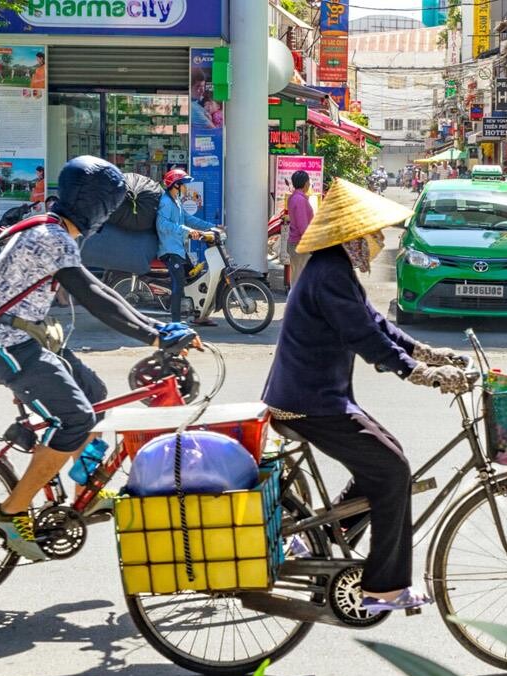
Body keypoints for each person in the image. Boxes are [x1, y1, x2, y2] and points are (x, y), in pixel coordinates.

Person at [0, 156, 201, 561]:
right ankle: (11, 512)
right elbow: (93, 298)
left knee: (94, 393)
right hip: (2, 344)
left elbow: (101, 289)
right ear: (97, 205)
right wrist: (154, 335)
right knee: (76, 418)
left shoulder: (50, 228)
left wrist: (159, 328)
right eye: (109, 206)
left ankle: (88, 491)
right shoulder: (53, 237)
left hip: (26, 338)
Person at [263, 178, 468, 613]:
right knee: (392, 470)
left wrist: (425, 351)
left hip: (318, 397)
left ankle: (313, 539)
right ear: (353, 235)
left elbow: (377, 323)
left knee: (385, 458)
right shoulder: (328, 273)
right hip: (309, 404)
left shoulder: (333, 266)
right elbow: (363, 337)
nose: (378, 241)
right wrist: (420, 374)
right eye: (373, 234)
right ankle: (384, 588)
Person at [157, 168, 220, 325]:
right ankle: (176, 323)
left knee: (192, 277)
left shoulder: (176, 202)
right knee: (179, 285)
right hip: (169, 250)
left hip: (178, 249)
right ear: (176, 186)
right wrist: (188, 231)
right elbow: (162, 224)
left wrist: (212, 227)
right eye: (183, 185)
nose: (186, 188)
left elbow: (189, 219)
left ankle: (199, 315)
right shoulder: (165, 202)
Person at [286, 169, 315, 283]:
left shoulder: (295, 197)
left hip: (296, 242)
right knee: (300, 278)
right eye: (308, 182)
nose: (309, 184)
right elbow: (303, 226)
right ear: (305, 183)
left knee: (298, 276)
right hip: (300, 243)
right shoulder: (299, 200)